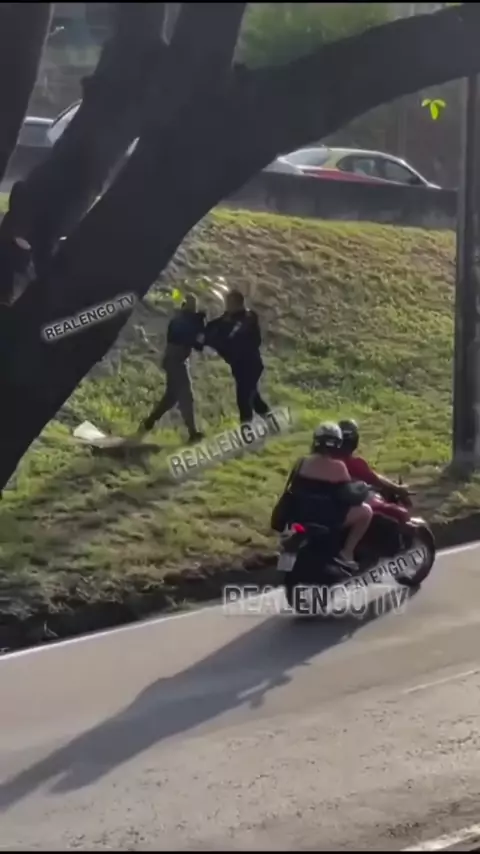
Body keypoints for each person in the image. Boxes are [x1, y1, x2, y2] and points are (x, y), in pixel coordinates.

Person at [271, 422, 373, 572]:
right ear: (338, 444)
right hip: (328, 519)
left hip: (299, 516)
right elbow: (350, 494)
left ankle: (286, 560)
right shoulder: (339, 467)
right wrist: (363, 488)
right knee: (367, 511)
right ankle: (347, 553)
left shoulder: (302, 462)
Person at [135, 294, 205, 443]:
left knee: (171, 398)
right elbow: (195, 342)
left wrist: (199, 326)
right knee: (186, 396)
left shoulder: (180, 320)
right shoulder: (182, 322)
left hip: (175, 361)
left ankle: (148, 423)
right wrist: (199, 326)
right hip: (176, 362)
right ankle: (193, 433)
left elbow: (197, 344)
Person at [204, 288, 271, 424]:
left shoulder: (248, 318)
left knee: (243, 398)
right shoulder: (225, 320)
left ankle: (247, 431)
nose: (227, 305)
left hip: (251, 365)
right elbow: (212, 330)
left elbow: (246, 336)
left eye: (229, 303)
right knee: (254, 397)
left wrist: (226, 340)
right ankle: (272, 422)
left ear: (237, 303)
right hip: (238, 367)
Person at [337, 419, 410, 500]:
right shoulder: (356, 464)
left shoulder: (328, 462)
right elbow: (376, 480)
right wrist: (398, 489)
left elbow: (374, 476)